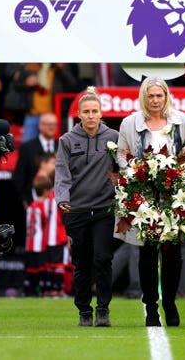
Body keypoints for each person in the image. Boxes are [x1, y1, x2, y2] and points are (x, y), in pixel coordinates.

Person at [115, 76, 185, 327]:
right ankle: (151, 306)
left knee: (174, 253)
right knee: (146, 253)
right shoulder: (129, 122)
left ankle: (170, 303)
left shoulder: (181, 119)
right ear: (144, 97)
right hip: (143, 194)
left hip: (174, 194)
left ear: (166, 96)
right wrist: (134, 169)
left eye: (159, 95)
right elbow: (121, 153)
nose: (155, 100)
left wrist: (180, 169)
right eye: (150, 96)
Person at [54, 86, 119, 327]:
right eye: (86, 111)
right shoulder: (67, 140)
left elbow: (122, 167)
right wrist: (62, 198)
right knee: (82, 263)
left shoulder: (114, 137)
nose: (91, 115)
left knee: (103, 258)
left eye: (95, 111)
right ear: (79, 114)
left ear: (102, 113)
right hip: (76, 210)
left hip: (105, 209)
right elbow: (61, 172)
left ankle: (103, 309)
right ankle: (83, 310)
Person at [25, 172, 68, 297]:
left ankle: (48, 290)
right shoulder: (60, 197)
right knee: (57, 264)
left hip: (45, 239)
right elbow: (65, 216)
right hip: (58, 237)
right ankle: (57, 290)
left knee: (49, 265)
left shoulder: (44, 201)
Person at [14, 112, 58, 209]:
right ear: (40, 126)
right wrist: (25, 201)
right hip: (33, 202)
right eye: (49, 124)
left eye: (54, 124)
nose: (52, 127)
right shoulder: (27, 148)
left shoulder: (62, 146)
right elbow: (19, 176)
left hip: (56, 204)